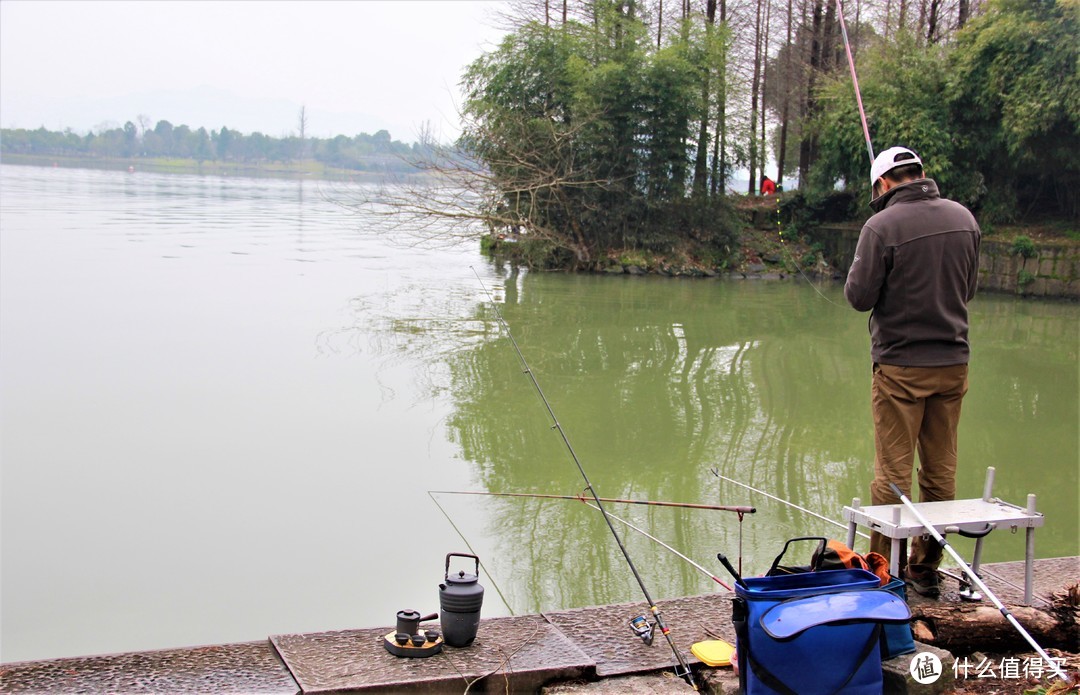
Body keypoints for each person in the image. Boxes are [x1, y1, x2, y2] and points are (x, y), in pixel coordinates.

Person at [844, 146, 981, 598]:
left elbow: (859, 296)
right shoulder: (965, 219)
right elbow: (969, 288)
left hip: (900, 367)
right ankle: (925, 567)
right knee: (941, 471)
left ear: (883, 184)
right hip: (953, 364)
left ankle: (882, 569)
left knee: (892, 474)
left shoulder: (880, 226)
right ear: (922, 174)